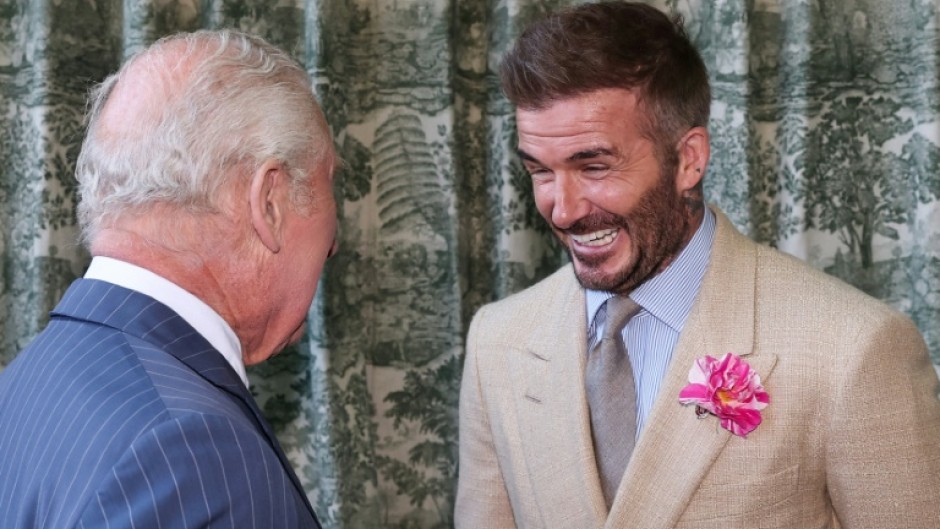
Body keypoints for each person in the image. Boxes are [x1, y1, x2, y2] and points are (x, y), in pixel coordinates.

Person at [455, 2, 940, 528]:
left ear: (689, 159)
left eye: (594, 166)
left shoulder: (855, 348)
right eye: (540, 171)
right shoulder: (496, 342)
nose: (563, 210)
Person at [0, 30, 336, 528]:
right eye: (330, 182)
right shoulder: (190, 450)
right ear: (270, 201)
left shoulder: (24, 384)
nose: (333, 241)